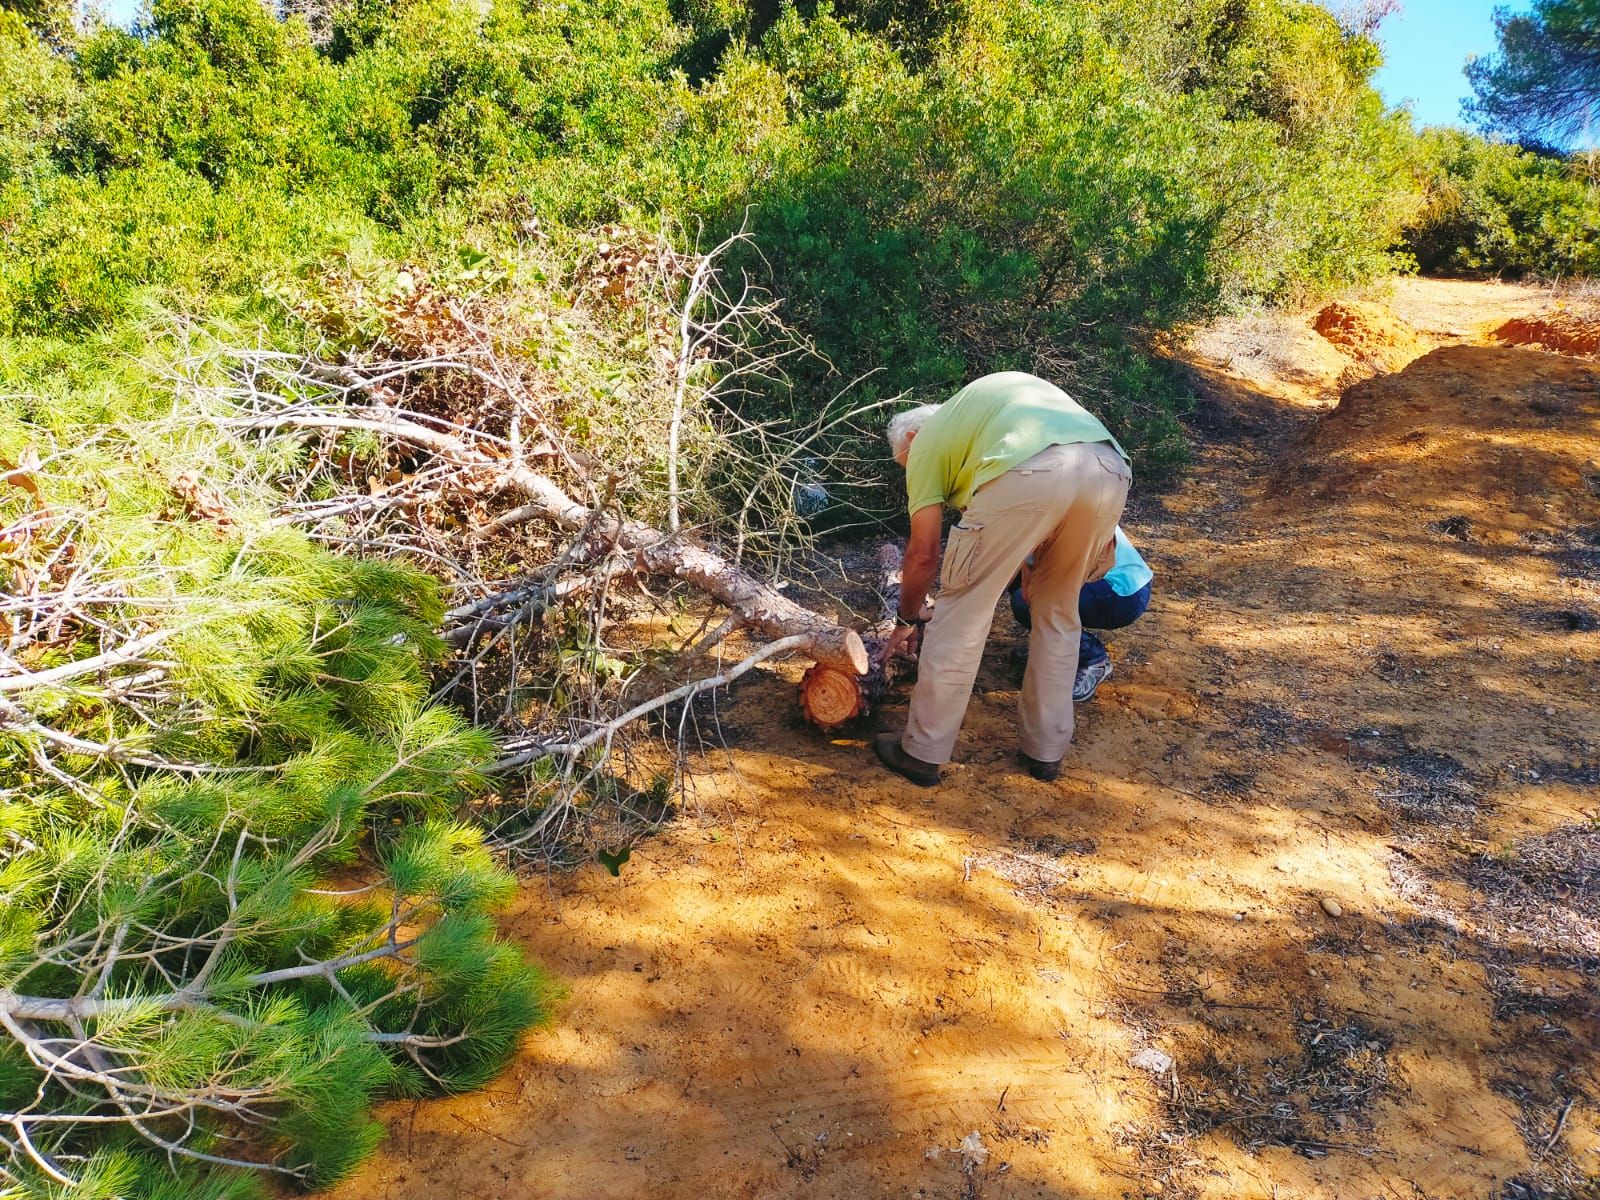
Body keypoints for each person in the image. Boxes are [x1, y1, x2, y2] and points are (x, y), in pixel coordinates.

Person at [874, 372, 1131, 787]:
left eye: (906, 465)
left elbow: (923, 554)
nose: (914, 476)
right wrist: (1032, 570)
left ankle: (922, 753)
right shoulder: (983, 423)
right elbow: (1041, 508)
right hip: (1107, 468)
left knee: (963, 611)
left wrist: (905, 620)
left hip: (1032, 471)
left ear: (913, 438)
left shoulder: (927, 441)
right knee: (1059, 613)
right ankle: (1046, 755)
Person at [1007, 526, 1152, 702]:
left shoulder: (1042, 508)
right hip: (1099, 580)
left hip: (1122, 592)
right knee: (1020, 580)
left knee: (1028, 602)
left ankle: (1092, 658)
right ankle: (1051, 646)